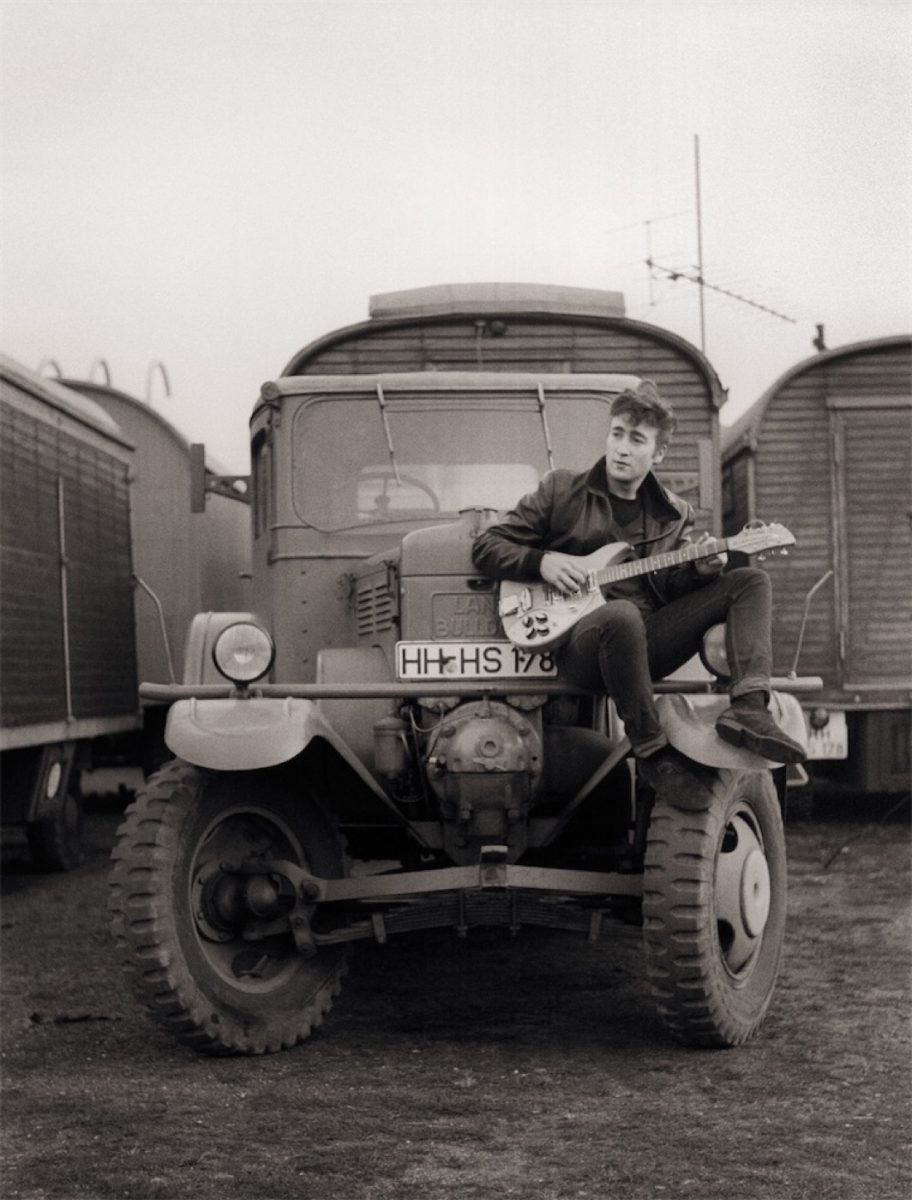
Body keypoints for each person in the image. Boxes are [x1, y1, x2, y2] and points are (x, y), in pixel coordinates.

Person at [471, 379, 806, 811]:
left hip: (648, 640)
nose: (622, 449)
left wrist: (699, 571)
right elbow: (487, 546)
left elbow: (667, 590)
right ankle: (652, 752)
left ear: (658, 453)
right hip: (583, 648)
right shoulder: (561, 491)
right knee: (621, 614)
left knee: (750, 582)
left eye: (636, 440)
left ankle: (750, 710)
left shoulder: (672, 514)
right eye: (617, 434)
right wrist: (542, 562)